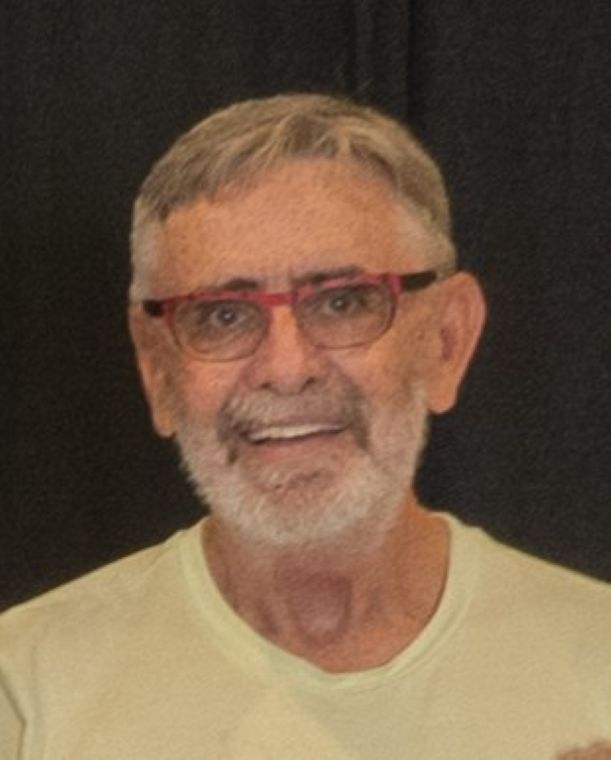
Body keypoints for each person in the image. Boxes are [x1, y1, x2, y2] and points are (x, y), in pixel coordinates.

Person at [1, 94, 609, 760]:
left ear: (445, 340)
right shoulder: (25, 689)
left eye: (343, 303)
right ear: (157, 369)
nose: (286, 370)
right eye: (223, 316)